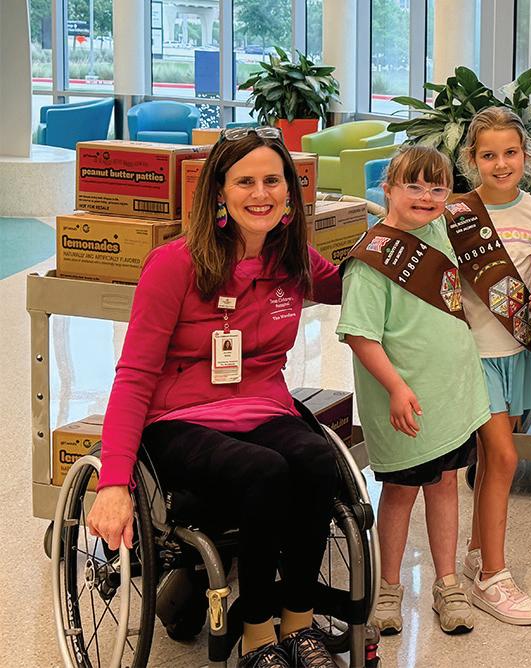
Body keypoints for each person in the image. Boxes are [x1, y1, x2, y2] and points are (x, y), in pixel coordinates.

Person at [85, 126, 343, 668]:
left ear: (290, 192)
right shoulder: (174, 264)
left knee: (319, 460)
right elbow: (134, 375)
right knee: (263, 471)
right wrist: (113, 481)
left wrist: (407, 234)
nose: (261, 194)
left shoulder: (292, 258)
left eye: (273, 180)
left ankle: (298, 622)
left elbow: (354, 284)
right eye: (245, 182)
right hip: (180, 418)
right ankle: (257, 634)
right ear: (220, 192)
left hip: (263, 406)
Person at [338, 145, 490, 637]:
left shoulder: (441, 231)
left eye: (437, 188)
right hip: (403, 401)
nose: (426, 197)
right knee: (400, 493)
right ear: (387, 189)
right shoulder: (371, 261)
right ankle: (389, 587)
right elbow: (361, 335)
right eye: (413, 186)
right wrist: (396, 387)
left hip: (450, 395)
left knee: (445, 485)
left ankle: (447, 583)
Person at [446, 107, 531, 625]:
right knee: (504, 458)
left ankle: (476, 551)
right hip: (474, 355)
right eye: (489, 155)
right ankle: (493, 577)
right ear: (471, 159)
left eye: (510, 153)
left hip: (518, 354)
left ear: (526, 156)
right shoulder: (454, 216)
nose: (501, 163)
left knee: (491, 460)